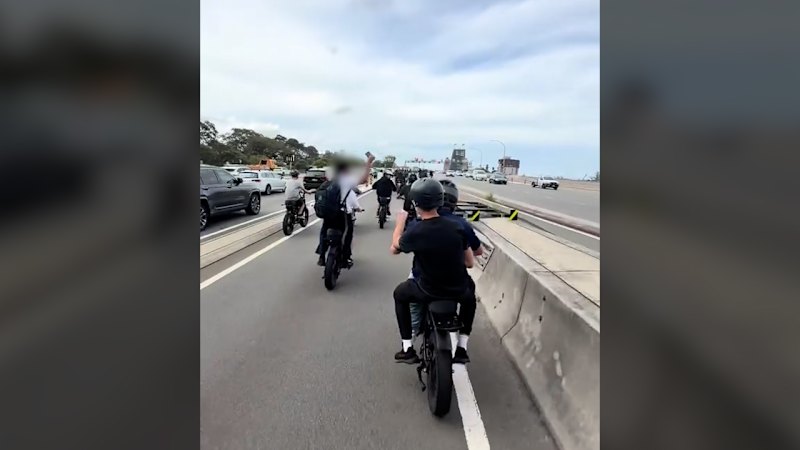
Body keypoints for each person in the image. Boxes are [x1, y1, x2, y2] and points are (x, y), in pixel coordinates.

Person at [390, 179, 476, 365]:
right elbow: (470, 263)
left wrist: (399, 224)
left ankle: (407, 348)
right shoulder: (459, 227)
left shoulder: (416, 230)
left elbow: (394, 249)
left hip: (427, 290)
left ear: (416, 202)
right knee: (470, 295)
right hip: (457, 290)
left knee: (399, 294)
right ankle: (462, 347)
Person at [407, 179, 483, 339]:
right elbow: (477, 253)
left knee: (411, 300)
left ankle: (412, 334)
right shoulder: (461, 224)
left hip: (424, 281)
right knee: (470, 296)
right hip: (455, 282)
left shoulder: (418, 223)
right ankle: (463, 339)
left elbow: (401, 246)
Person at [316, 156, 375, 266]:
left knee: (324, 231)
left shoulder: (330, 180)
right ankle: (345, 258)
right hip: (342, 214)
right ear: (346, 170)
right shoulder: (347, 180)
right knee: (347, 234)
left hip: (328, 213)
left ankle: (321, 256)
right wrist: (368, 163)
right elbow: (363, 179)